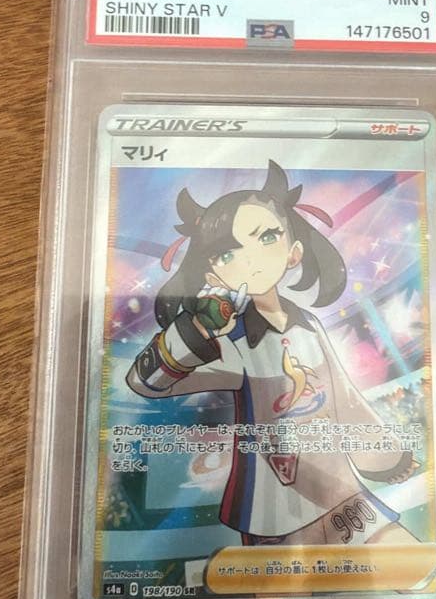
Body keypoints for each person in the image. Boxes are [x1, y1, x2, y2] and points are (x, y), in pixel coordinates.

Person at [127, 161, 418, 546]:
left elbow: (344, 398)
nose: (250, 259)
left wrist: (385, 457)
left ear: (293, 252)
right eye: (227, 253)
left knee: (403, 559)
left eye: (266, 237)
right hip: (275, 511)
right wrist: (194, 333)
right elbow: (147, 383)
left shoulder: (308, 324)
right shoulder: (230, 343)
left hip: (340, 492)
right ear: (212, 273)